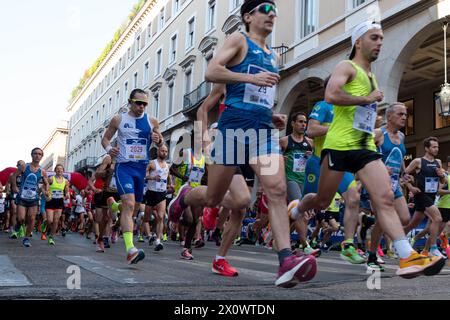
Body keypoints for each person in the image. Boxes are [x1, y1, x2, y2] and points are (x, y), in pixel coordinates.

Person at [168, 0, 317, 287]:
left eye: (275, 10)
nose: (272, 14)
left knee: (276, 190)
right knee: (214, 198)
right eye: (265, 9)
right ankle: (185, 197)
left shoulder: (272, 56)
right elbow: (212, 72)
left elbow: (257, 94)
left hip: (262, 132)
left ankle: (285, 258)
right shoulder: (239, 40)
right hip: (232, 131)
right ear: (248, 16)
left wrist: (271, 115)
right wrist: (203, 135)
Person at [293, 20, 445, 278]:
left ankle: (406, 255)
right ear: (359, 41)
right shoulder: (346, 66)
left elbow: (361, 115)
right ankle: (296, 209)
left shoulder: (373, 76)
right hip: (339, 147)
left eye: (382, 38)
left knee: (384, 197)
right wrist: (365, 99)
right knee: (321, 201)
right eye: (374, 38)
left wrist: (372, 121)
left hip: (364, 148)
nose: (379, 43)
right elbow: (331, 94)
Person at [297, 93, 363, 264]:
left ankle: (348, 246)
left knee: (354, 197)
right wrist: (337, 127)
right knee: (316, 205)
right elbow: (311, 131)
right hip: (319, 161)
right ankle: (303, 242)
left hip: (342, 163)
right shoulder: (324, 105)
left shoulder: (350, 110)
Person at [102, 88, 163, 264]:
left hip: (141, 169)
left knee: (133, 209)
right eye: (138, 103)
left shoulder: (152, 121)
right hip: (124, 168)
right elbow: (105, 139)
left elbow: (161, 143)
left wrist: (159, 141)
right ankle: (130, 249)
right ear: (130, 102)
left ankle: (115, 207)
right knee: (129, 204)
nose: (141, 107)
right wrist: (109, 149)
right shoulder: (119, 119)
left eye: (145, 104)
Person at [403, 137, 447, 257]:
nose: (436, 149)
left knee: (413, 224)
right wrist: (410, 187)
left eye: (437, 147)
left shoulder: (438, 162)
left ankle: (398, 240)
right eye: (434, 147)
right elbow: (404, 174)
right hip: (421, 195)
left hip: (431, 196)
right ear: (427, 148)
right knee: (437, 218)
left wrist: (442, 175)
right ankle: (433, 248)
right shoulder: (418, 161)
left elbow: (443, 180)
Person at [11, 148, 49, 247]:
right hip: (22, 197)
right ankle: (18, 226)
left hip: (34, 198)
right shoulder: (24, 166)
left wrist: (47, 190)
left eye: (39, 154)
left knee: (32, 218)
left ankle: (26, 238)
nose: (37, 155)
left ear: (41, 156)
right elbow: (14, 176)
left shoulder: (42, 171)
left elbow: (46, 182)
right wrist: (15, 186)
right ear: (32, 155)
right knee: (21, 218)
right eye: (35, 153)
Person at [144, 144, 172, 252]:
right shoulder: (152, 163)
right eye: (162, 151)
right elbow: (144, 175)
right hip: (151, 193)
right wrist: (153, 177)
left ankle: (158, 240)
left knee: (161, 217)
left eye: (166, 151)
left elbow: (168, 177)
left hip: (161, 194)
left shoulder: (167, 165)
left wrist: (171, 184)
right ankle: (149, 235)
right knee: (146, 218)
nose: (164, 153)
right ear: (158, 152)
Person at [44, 164, 69, 245]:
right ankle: (45, 222)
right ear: (55, 170)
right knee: (50, 220)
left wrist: (67, 194)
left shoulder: (65, 181)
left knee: (56, 221)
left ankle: (51, 237)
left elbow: (66, 190)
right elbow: (46, 186)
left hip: (59, 201)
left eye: (61, 169)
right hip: (51, 201)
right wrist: (47, 191)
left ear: (63, 171)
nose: (59, 170)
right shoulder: (51, 178)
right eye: (58, 169)